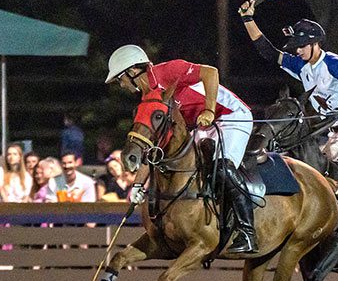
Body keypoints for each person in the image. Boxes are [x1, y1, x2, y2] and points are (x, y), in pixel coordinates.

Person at [238, 0, 338, 240]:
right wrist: (247, 19)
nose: (297, 50)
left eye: (302, 46)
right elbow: (268, 52)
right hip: (332, 134)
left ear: (315, 44)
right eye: (296, 47)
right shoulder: (301, 65)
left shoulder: (336, 64)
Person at [106, 44, 256, 252]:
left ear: (132, 71)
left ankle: (248, 232)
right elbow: (155, 148)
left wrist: (209, 110)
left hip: (230, 116)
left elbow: (211, 73)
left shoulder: (167, 71)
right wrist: (139, 185)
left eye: (120, 79)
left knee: (221, 167)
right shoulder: (148, 98)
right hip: (201, 125)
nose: (121, 85)